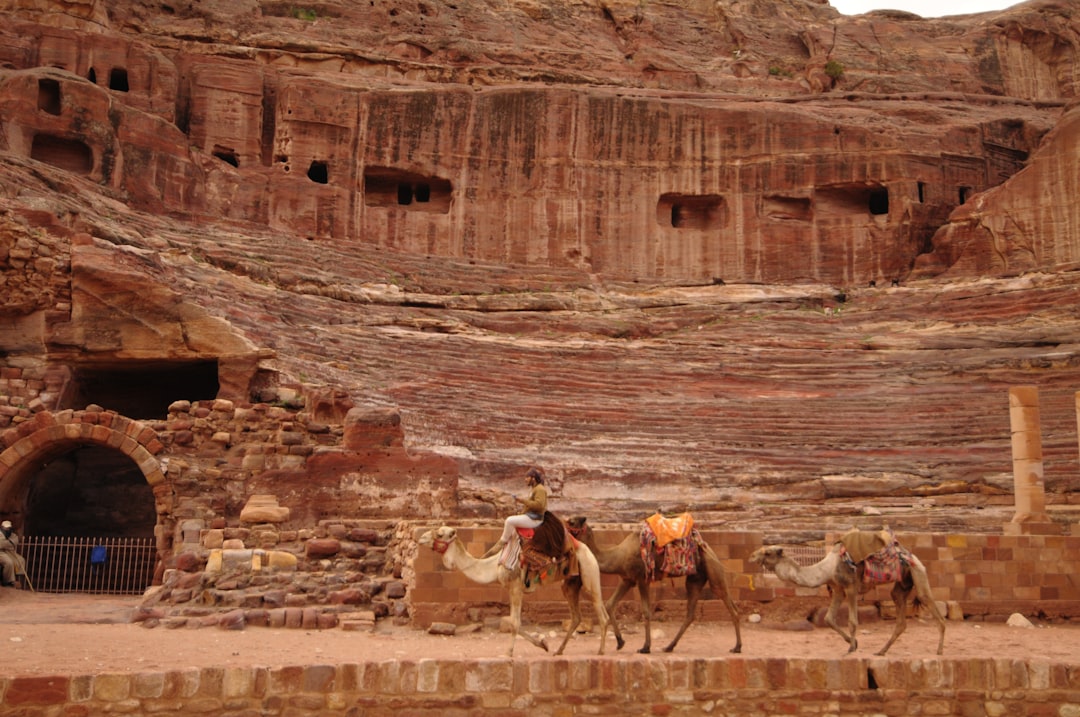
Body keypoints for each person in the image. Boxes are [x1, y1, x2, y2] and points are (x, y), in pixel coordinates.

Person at [483, 468, 547, 558]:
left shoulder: (539, 489)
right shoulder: (534, 489)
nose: (525, 480)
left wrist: (522, 500)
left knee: (509, 521)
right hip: (531, 517)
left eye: (527, 477)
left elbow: (539, 505)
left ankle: (501, 543)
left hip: (535, 519)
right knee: (513, 522)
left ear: (533, 478)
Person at [0, 520, 25, 588]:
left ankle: (18, 578)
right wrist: (8, 544)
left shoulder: (13, 535)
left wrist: (5, 544)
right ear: (2, 528)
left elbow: (14, 543)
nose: (7, 530)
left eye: (9, 528)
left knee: (21, 560)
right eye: (6, 528)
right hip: (1, 553)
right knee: (8, 562)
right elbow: (2, 545)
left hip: (10, 552)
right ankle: (8, 581)